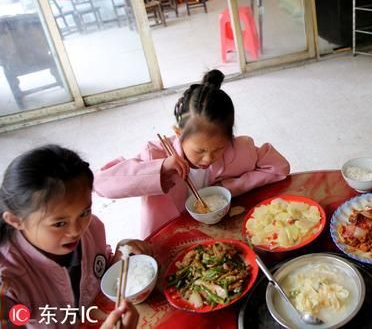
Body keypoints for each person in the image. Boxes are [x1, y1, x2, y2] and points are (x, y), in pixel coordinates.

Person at [94, 69, 290, 238]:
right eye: (200, 150)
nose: (208, 158)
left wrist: (229, 187)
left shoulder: (237, 150)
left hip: (217, 234)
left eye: (218, 149)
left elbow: (278, 167)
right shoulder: (156, 154)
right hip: (167, 237)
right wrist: (158, 170)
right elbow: (99, 184)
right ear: (179, 134)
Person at [0, 145, 149, 328]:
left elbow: (96, 273)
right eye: (59, 223)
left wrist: (120, 256)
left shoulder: (92, 228)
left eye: (84, 212)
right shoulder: (8, 281)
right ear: (16, 221)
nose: (76, 231)